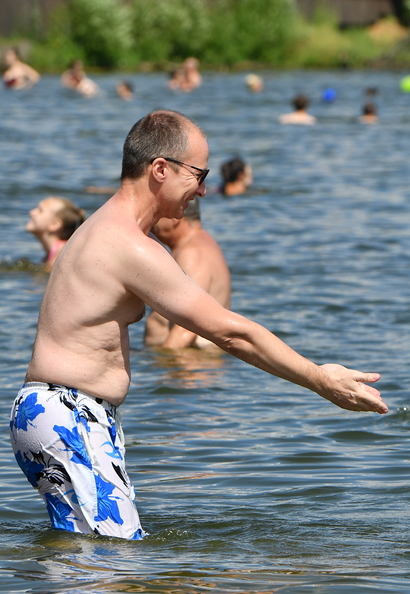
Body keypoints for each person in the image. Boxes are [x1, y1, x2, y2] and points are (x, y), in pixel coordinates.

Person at [10, 110, 385, 540]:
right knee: (113, 562)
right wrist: (320, 378)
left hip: (53, 411)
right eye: (198, 174)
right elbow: (230, 332)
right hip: (69, 415)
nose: (204, 190)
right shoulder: (130, 246)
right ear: (160, 170)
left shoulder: (101, 228)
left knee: (86, 564)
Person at [143, 200, 231, 349]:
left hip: (187, 364)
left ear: (177, 216)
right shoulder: (201, 243)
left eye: (157, 213)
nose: (152, 219)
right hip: (188, 360)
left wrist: (166, 360)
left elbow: (191, 324)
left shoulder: (192, 252)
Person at [24, 196, 86, 272]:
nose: (32, 212)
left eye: (40, 210)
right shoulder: (54, 254)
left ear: (54, 224)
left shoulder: (62, 255)